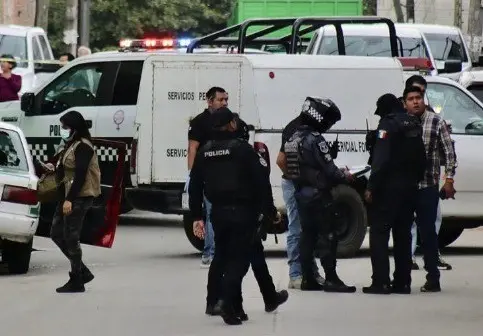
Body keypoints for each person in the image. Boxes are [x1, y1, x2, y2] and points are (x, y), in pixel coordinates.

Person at [189, 107, 281, 325]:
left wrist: (195, 216)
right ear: (231, 124)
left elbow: (194, 186)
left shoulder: (205, 151)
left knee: (221, 256)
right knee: (239, 261)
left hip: (218, 213)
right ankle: (225, 302)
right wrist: (270, 212)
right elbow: (262, 183)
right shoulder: (243, 150)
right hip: (243, 212)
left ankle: (221, 303)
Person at [283, 97, 355, 292]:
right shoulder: (315, 139)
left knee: (307, 236)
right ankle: (331, 278)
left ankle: (308, 279)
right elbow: (331, 171)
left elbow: (292, 168)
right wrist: (347, 176)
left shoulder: (293, 137)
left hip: (301, 194)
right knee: (328, 236)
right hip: (319, 196)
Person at [362, 93, 426, 295]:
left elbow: (380, 160)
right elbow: (422, 159)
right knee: (403, 235)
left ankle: (380, 282)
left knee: (379, 233)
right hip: (410, 189)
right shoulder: (413, 123)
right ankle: (403, 283)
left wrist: (371, 186)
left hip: (388, 189)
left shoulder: (387, 125)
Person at [404, 86, 456, 292]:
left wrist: (449, 179)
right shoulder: (400, 123)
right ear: (404, 102)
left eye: (418, 98)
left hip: (427, 186)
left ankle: (433, 277)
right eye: (411, 99)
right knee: (404, 232)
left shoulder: (436, 122)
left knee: (428, 233)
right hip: (405, 187)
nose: (415, 102)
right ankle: (402, 277)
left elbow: (449, 153)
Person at [50, 110, 101, 293]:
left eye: (65, 127)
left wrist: (69, 200)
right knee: (56, 233)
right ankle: (82, 272)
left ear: (74, 127)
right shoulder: (71, 144)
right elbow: (67, 168)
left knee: (71, 237)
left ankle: (77, 279)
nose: (63, 130)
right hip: (67, 195)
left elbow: (80, 175)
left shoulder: (84, 146)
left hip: (78, 196)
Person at [276, 116, 325, 289]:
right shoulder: (295, 129)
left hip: (299, 184)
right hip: (294, 184)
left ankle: (310, 272)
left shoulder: (302, 128)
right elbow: (281, 160)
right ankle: (295, 274)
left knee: (307, 232)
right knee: (297, 229)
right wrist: (297, 178)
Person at [187, 86, 228, 268]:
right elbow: (193, 148)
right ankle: (210, 253)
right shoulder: (199, 122)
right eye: (220, 99)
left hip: (226, 174)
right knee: (211, 213)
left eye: (226, 99)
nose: (224, 103)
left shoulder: (229, 120)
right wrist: (192, 174)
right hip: (207, 175)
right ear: (209, 101)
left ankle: (220, 251)